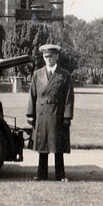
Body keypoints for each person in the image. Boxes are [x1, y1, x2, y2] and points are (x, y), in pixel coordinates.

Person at [26, 44, 74, 181]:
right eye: (46, 57)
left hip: (57, 114)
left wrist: (67, 116)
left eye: (51, 56)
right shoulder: (37, 74)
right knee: (43, 145)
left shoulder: (64, 75)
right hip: (41, 114)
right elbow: (32, 95)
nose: (48, 59)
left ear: (57, 57)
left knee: (57, 145)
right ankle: (41, 174)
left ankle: (60, 175)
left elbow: (69, 97)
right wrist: (30, 114)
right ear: (43, 57)